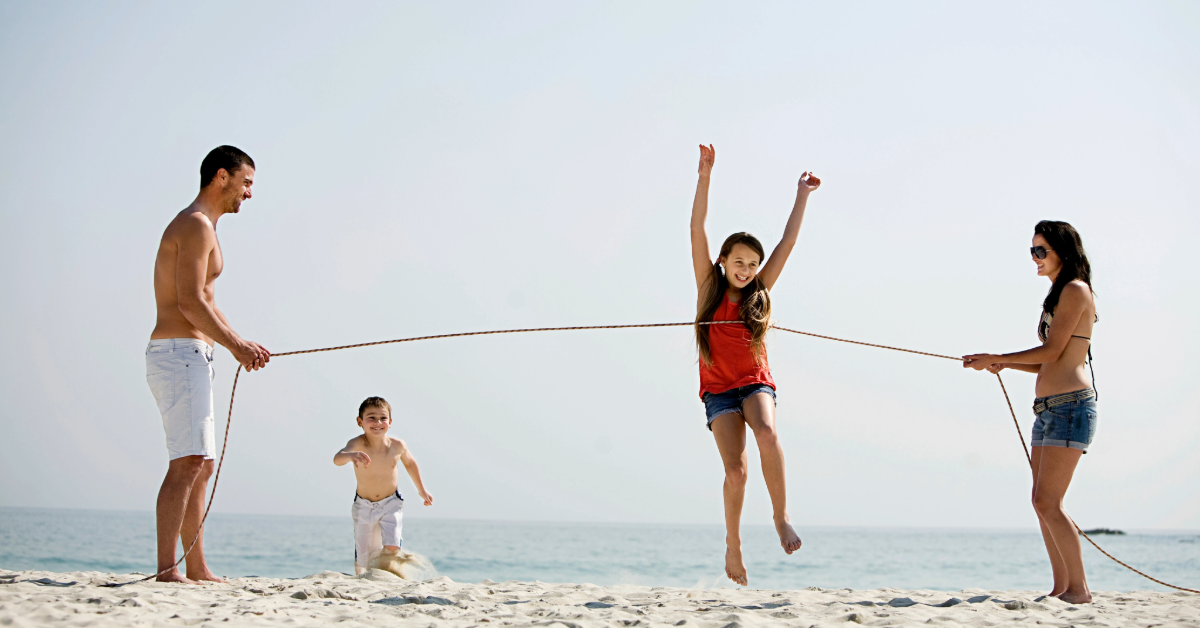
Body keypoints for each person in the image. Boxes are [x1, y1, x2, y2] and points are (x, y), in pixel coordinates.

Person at [689, 144, 820, 586]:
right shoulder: (709, 286)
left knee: (766, 431)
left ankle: (781, 517)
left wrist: (802, 194)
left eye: (752, 264)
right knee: (735, 471)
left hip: (754, 384)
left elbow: (789, 242)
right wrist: (705, 176)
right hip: (718, 391)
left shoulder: (758, 293)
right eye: (738, 262)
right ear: (723, 262)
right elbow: (696, 228)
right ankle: (734, 543)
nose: (745, 269)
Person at [147, 145, 272, 583]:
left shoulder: (204, 227)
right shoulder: (196, 225)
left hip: (192, 354)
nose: (249, 193)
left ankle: (196, 567)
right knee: (187, 462)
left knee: (202, 463)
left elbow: (208, 304)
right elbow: (189, 300)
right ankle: (167, 570)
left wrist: (242, 343)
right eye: (247, 183)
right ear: (222, 177)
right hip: (179, 353)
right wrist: (237, 346)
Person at [963, 220, 1097, 604]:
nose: (1035, 258)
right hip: (1049, 408)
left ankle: (1079, 590)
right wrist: (1001, 364)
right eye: (1032, 251)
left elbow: (1053, 353)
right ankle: (1061, 588)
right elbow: (1046, 362)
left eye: (1041, 251)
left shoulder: (1074, 290)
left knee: (1047, 502)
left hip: (1071, 407)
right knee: (1041, 501)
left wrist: (999, 357)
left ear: (1062, 252)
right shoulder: (1058, 294)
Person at [333, 396, 434, 575]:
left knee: (392, 545)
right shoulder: (357, 444)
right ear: (360, 421)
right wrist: (351, 455)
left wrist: (422, 491)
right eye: (371, 417)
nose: (378, 422)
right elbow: (337, 459)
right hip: (364, 505)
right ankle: (363, 579)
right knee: (364, 552)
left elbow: (410, 464)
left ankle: (391, 575)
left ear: (390, 421)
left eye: (383, 418)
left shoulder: (397, 446)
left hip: (391, 503)